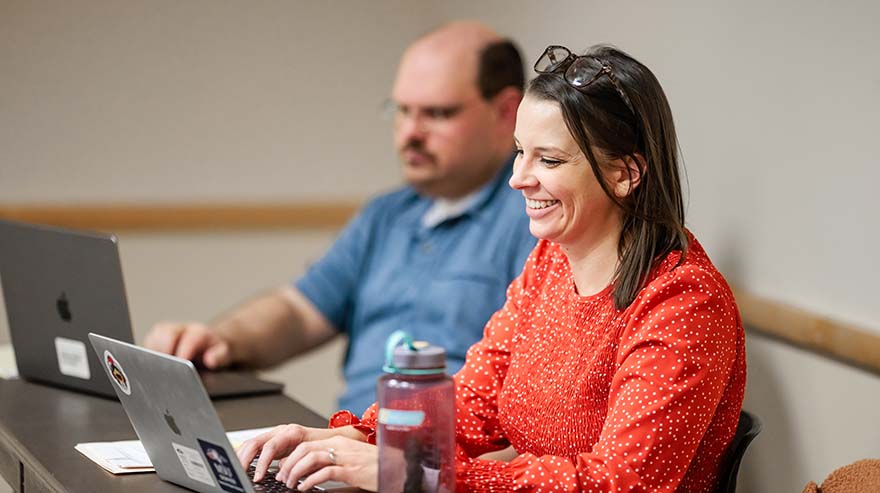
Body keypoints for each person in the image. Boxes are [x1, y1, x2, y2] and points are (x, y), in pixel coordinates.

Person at [237, 44, 747, 493]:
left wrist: (414, 475)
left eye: (548, 160)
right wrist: (350, 439)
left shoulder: (683, 303)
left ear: (624, 174)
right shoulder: (550, 261)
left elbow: (618, 484)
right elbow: (474, 403)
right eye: (520, 152)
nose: (517, 179)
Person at [143, 21, 536, 415]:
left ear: (506, 112)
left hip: (443, 459)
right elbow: (298, 312)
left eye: (436, 113)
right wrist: (221, 339)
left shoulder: (535, 219)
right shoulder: (386, 216)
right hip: (345, 447)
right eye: (401, 111)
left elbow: (534, 398)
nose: (410, 133)